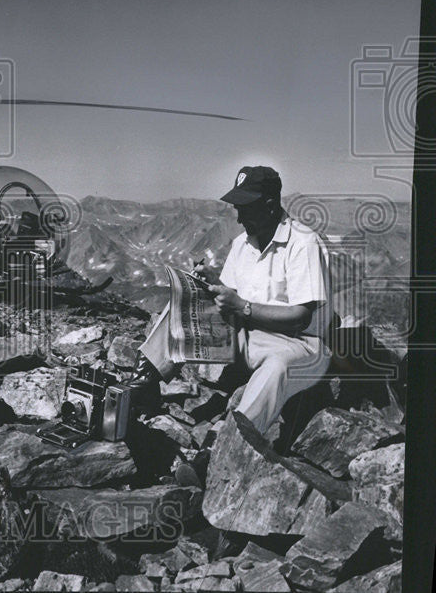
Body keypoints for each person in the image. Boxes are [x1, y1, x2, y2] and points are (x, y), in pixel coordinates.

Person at [128, 166, 333, 443]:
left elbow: (300, 317)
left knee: (278, 366)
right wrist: (211, 285)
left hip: (300, 343)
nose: (239, 217)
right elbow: (233, 295)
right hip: (248, 334)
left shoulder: (303, 243)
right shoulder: (242, 244)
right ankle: (142, 382)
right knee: (185, 305)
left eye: (246, 208)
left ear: (270, 204)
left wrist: (243, 307)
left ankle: (224, 446)